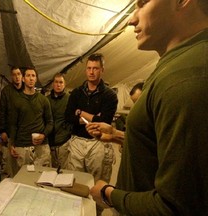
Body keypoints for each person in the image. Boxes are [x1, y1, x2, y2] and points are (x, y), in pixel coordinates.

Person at [89, 0, 208, 215]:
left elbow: (176, 207)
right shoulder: (177, 64)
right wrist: (117, 135)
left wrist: (108, 194)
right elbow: (161, 148)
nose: (131, 19)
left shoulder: (185, 78)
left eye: (142, 3)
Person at [64, 53, 118, 183]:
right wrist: (93, 118)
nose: (91, 72)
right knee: (75, 182)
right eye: (89, 68)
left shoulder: (109, 95)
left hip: (97, 143)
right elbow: (68, 117)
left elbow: (105, 122)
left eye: (95, 68)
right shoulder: (76, 93)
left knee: (97, 182)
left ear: (102, 70)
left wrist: (80, 112)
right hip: (77, 141)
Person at [9, 67, 53, 175]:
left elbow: (50, 122)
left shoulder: (43, 100)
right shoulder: (17, 100)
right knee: (22, 179)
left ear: (36, 79)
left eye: (33, 76)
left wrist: (44, 135)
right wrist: (11, 144)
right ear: (23, 79)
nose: (31, 78)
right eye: (28, 76)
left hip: (41, 147)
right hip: (22, 146)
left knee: (43, 179)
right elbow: (13, 125)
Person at [0, 66, 23, 178]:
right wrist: (2, 130)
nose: (17, 77)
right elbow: (1, 112)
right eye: (14, 74)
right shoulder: (6, 91)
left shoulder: (27, 91)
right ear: (11, 77)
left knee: (21, 165)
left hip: (22, 134)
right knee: (7, 165)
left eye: (18, 74)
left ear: (22, 76)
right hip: (8, 133)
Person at [47, 73, 72, 168]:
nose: (58, 85)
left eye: (61, 82)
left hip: (64, 142)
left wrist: (68, 132)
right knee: (50, 171)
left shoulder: (69, 99)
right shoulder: (46, 100)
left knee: (64, 170)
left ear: (64, 84)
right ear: (53, 84)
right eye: (56, 82)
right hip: (50, 142)